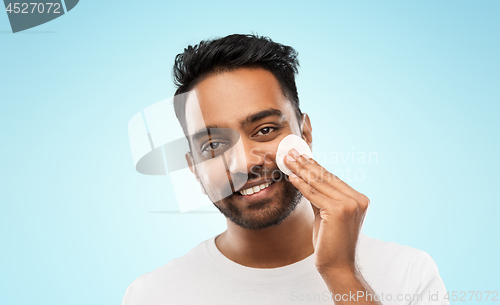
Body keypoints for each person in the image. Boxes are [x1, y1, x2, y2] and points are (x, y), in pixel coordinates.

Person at [122, 34, 448, 304]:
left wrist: (340, 272)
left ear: (304, 134)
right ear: (194, 168)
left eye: (265, 130)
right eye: (214, 146)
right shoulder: (152, 295)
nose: (245, 163)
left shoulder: (409, 273)